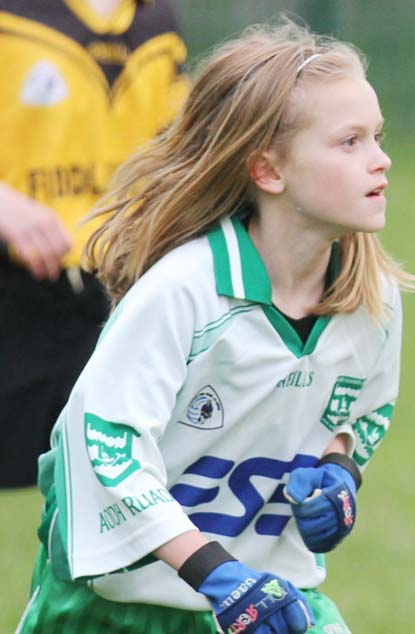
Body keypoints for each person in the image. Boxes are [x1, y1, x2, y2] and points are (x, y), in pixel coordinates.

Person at [17, 17, 415, 634]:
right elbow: (104, 447)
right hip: (118, 613)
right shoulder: (182, 293)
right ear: (268, 171)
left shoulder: (374, 298)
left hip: (278, 601)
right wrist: (214, 573)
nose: (381, 159)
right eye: (350, 142)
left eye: (378, 136)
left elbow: (360, 414)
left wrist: (338, 473)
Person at [0, 0, 189, 487]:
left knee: (116, 485)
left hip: (116, 291)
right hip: (13, 287)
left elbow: (179, 152)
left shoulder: (156, 23)